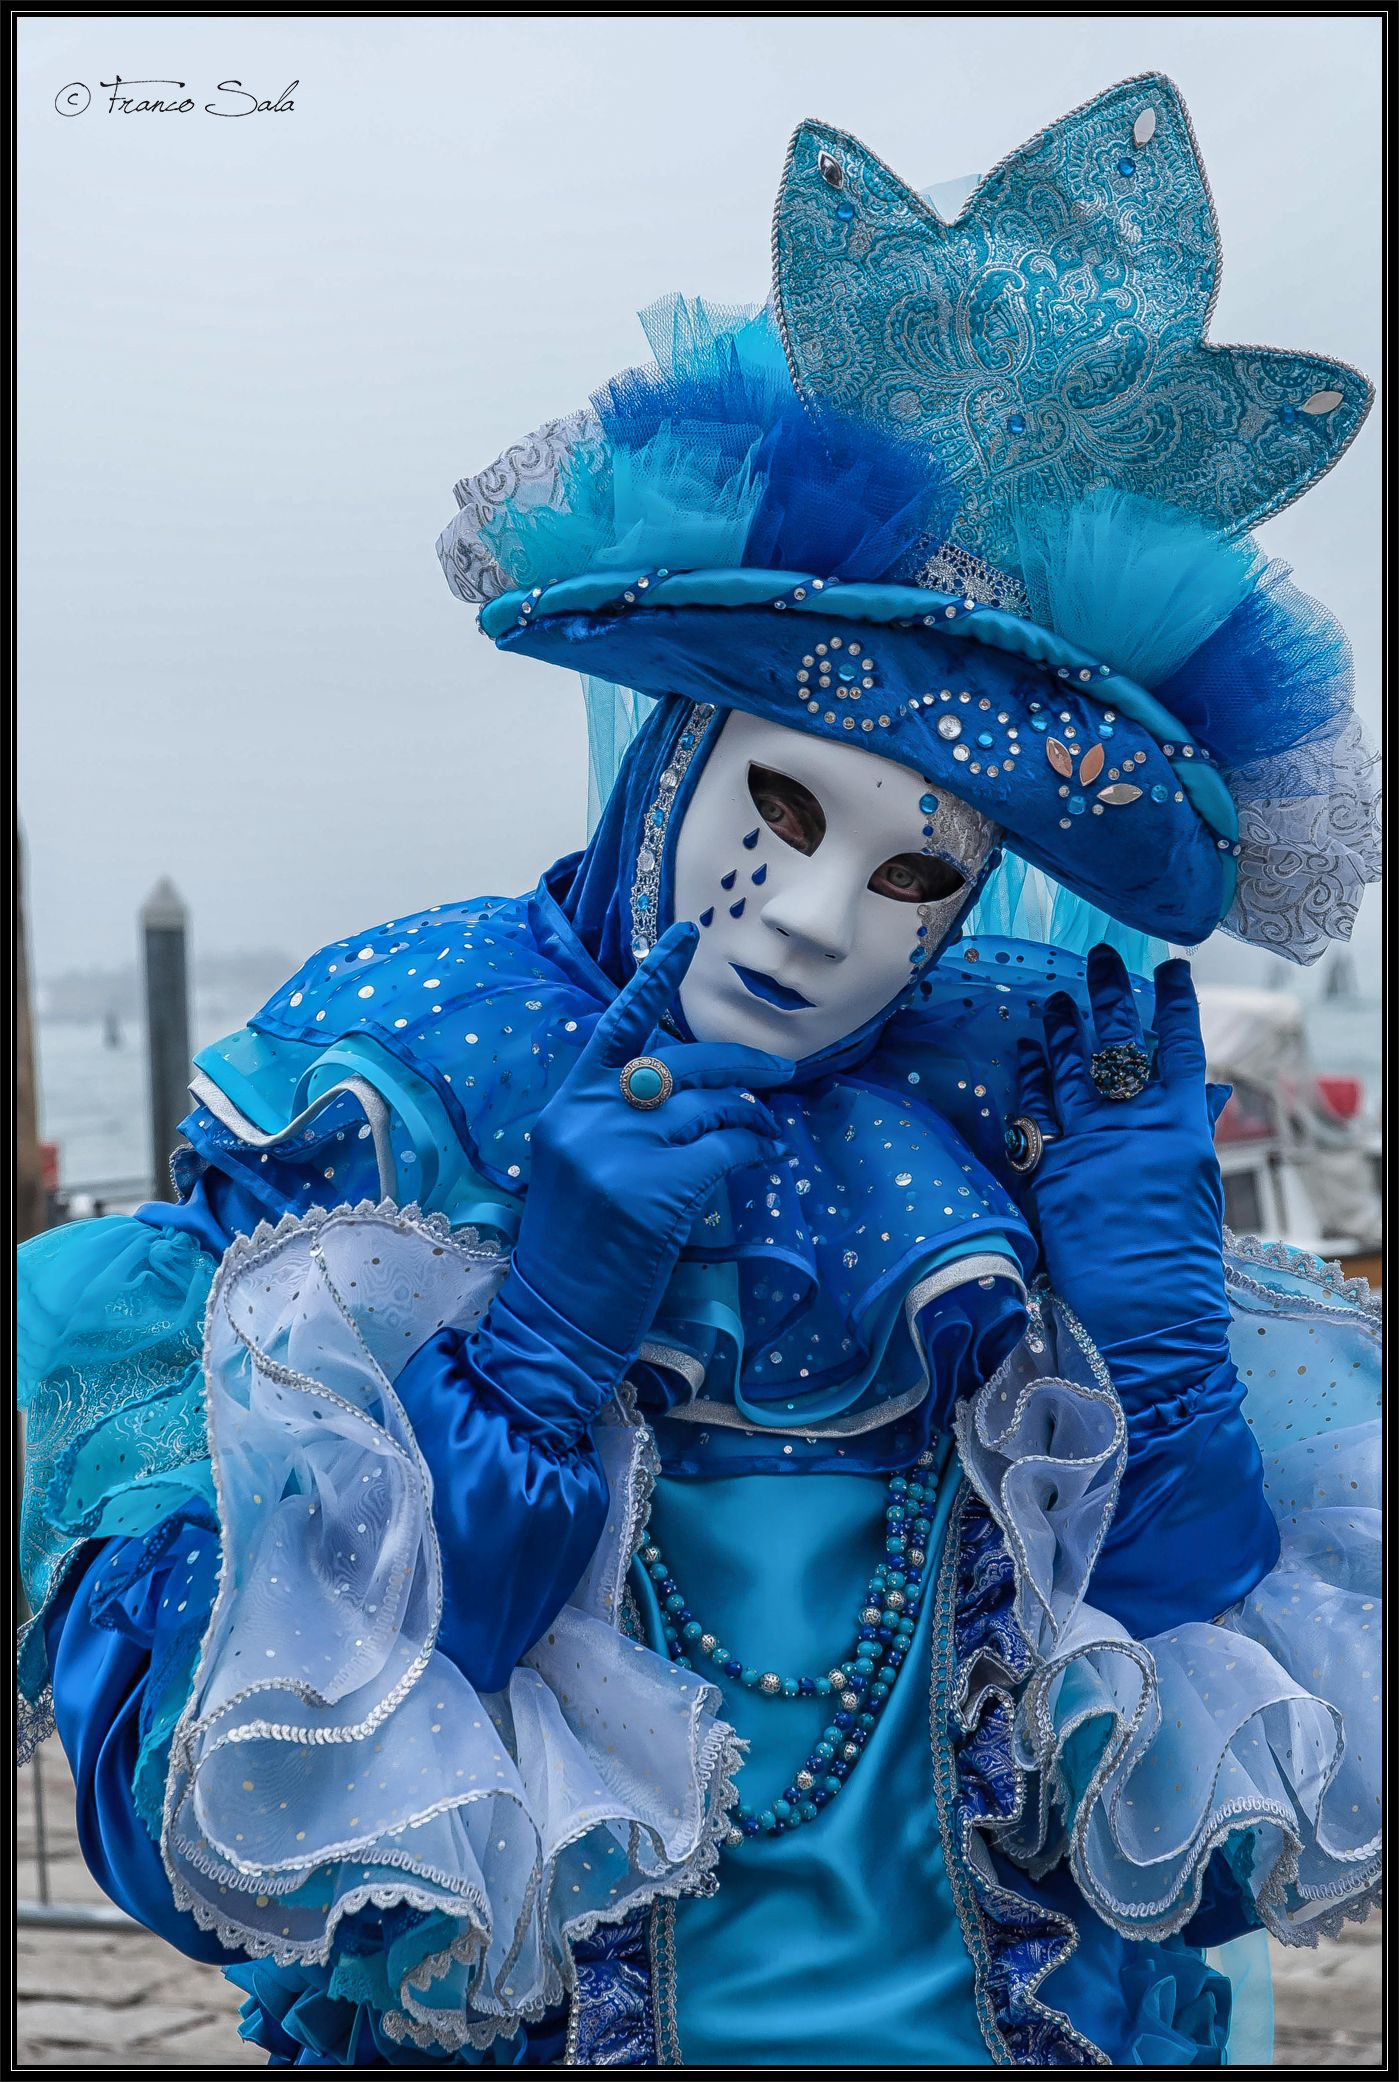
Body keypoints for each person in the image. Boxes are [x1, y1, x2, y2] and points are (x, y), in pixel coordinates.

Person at [17, 72, 1380, 2068]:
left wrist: (1157, 1358)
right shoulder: (398, 1081)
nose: (826, 921)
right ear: (669, 750)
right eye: (782, 809)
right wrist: (542, 1328)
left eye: (923, 866)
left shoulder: (1026, 1104)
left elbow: (1195, 1798)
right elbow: (257, 1789)